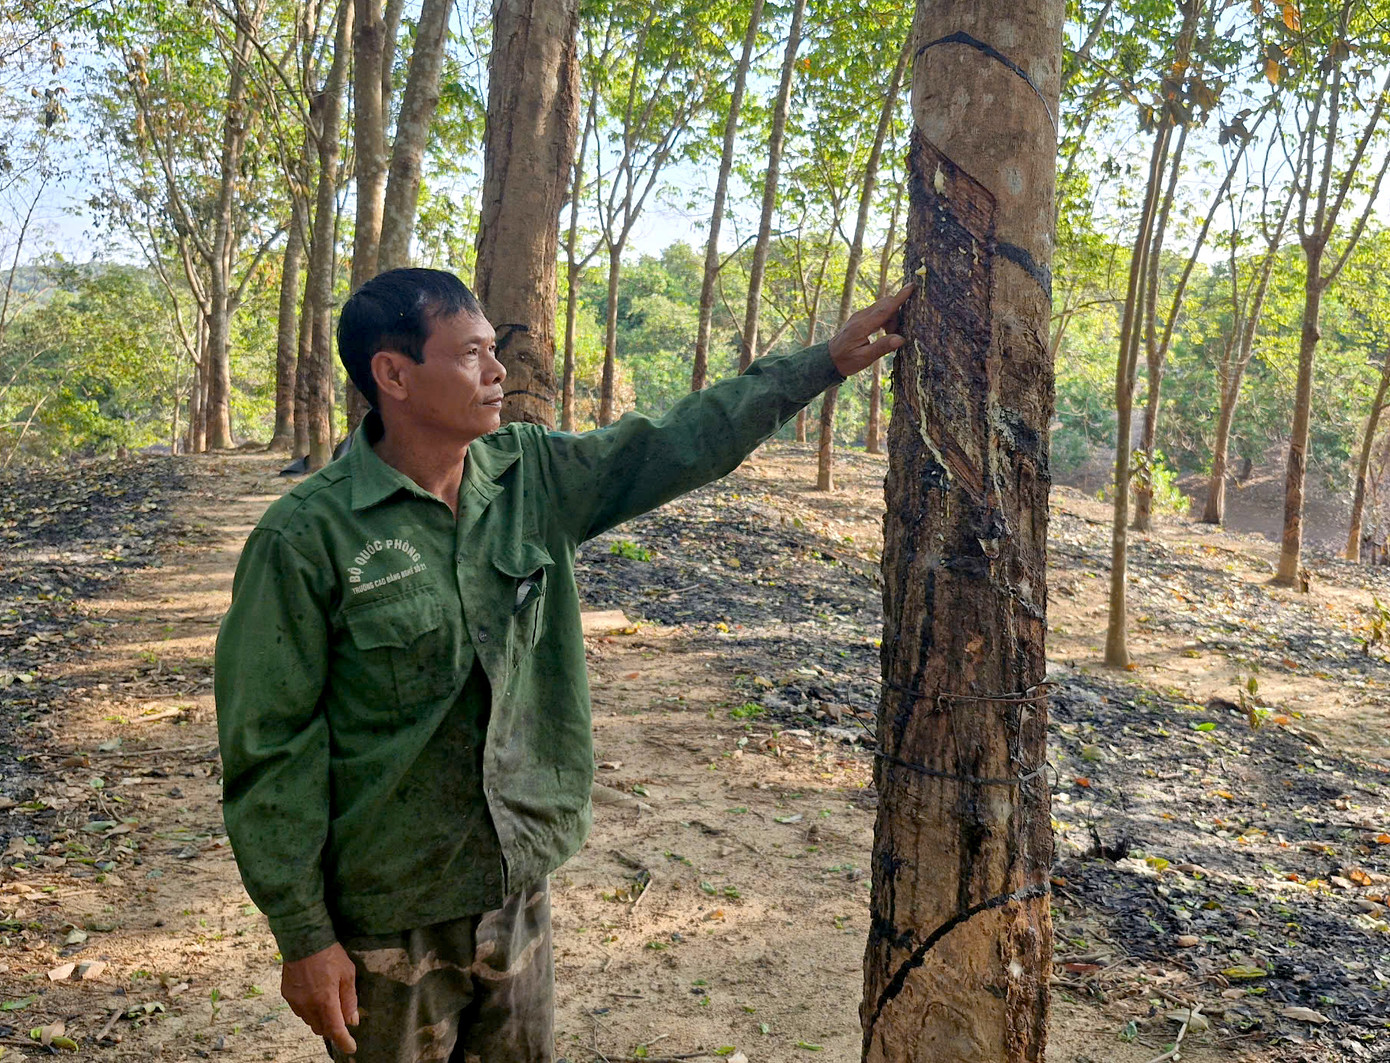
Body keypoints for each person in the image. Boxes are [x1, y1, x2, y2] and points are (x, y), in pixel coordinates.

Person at [215, 267, 913, 1062]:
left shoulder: (532, 477)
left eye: (494, 350)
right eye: (472, 352)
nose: (498, 371)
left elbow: (680, 440)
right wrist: (304, 935)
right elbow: (270, 746)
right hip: (387, 909)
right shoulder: (305, 538)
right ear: (394, 374)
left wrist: (821, 362)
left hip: (514, 888)